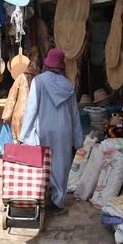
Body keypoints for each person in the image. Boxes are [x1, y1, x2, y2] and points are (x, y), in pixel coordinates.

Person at [19, 48, 82, 215]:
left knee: (43, 164)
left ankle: (42, 196)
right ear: (61, 67)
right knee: (61, 165)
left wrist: (24, 135)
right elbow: (74, 114)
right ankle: (58, 202)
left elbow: (31, 108)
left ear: (47, 64)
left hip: (44, 129)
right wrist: (78, 140)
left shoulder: (38, 81)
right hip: (64, 131)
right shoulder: (68, 85)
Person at [2, 54, 41, 143]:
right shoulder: (40, 79)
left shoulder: (21, 78)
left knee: (17, 141)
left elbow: (12, 97)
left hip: (19, 113)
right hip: (34, 114)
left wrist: (6, 116)